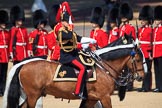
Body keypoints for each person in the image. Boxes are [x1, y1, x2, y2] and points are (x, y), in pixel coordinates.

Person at [54, 1, 96, 99]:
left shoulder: (68, 31)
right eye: (67, 21)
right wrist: (81, 45)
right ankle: (78, 92)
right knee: (82, 68)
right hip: (66, 56)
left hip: (72, 54)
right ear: (63, 22)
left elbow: (78, 38)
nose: (68, 23)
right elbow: (71, 40)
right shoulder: (62, 32)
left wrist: (90, 40)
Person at [118, 2, 136, 91]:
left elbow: (132, 39)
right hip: (121, 50)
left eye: (124, 16)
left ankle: (129, 85)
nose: (122, 18)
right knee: (122, 68)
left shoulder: (130, 27)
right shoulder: (121, 27)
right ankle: (123, 84)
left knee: (129, 68)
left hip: (127, 50)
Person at [137, 5, 153, 92]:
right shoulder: (140, 30)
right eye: (141, 19)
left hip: (147, 52)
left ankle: (147, 86)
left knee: (148, 70)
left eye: (144, 20)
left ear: (148, 20)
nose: (142, 21)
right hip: (141, 52)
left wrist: (150, 53)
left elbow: (151, 42)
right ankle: (144, 86)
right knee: (142, 69)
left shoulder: (150, 30)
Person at [152, 5, 162, 92]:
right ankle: (158, 86)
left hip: (161, 52)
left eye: (158, 19)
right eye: (156, 19)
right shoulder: (154, 29)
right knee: (156, 71)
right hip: (155, 52)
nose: (156, 21)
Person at [0, 10, 10, 96]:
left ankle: (2, 90)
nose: (4, 25)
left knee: (4, 75)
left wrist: (10, 54)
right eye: (2, 23)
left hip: (5, 56)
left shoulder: (7, 33)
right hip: (0, 56)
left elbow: (9, 44)